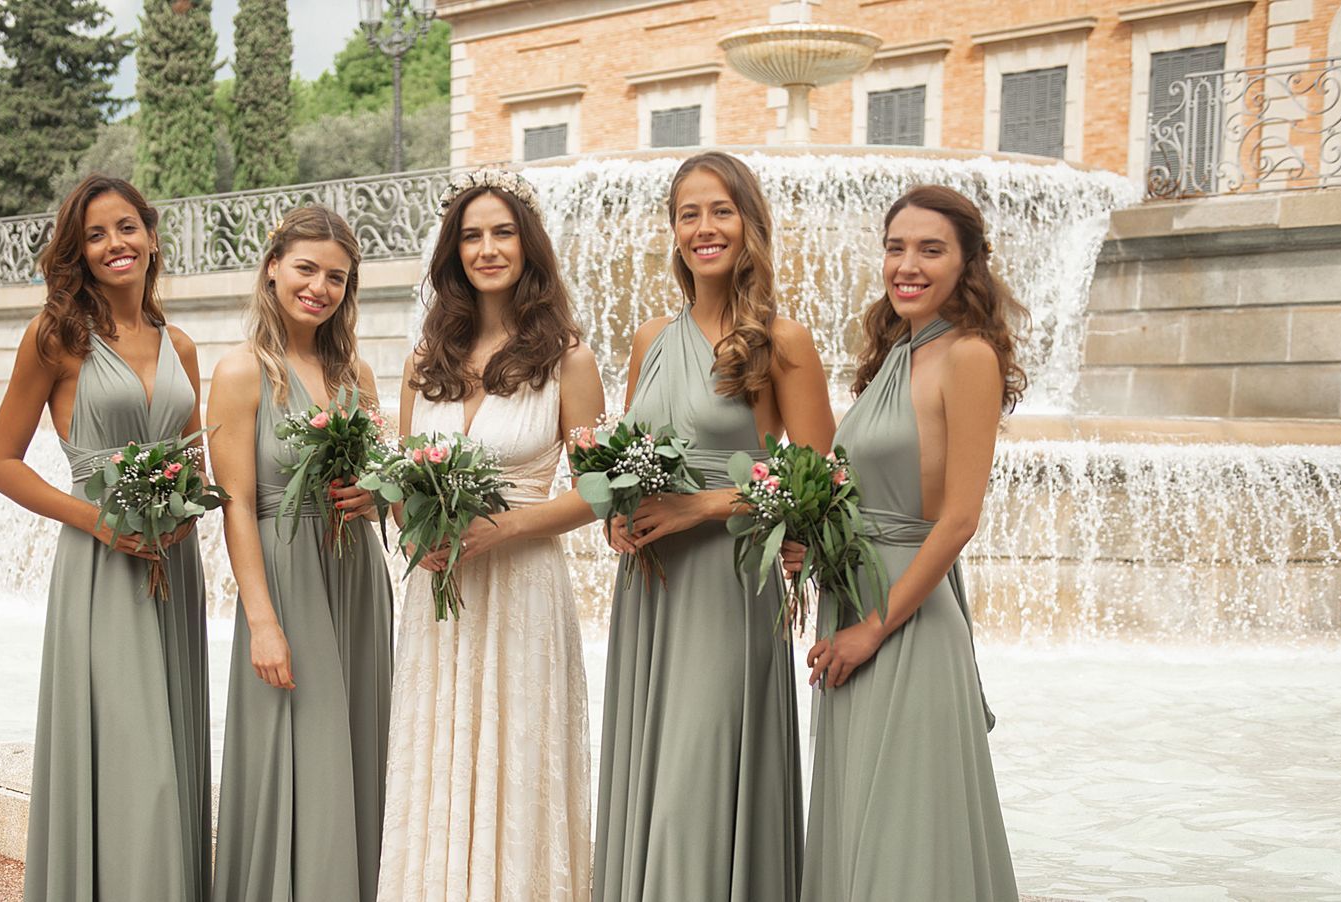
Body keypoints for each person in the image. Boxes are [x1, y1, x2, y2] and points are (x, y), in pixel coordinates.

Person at [592, 151, 835, 902]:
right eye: (689, 213)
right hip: (651, 588)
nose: (705, 228)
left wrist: (699, 506)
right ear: (673, 230)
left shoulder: (781, 342)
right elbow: (627, 459)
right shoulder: (648, 339)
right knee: (653, 773)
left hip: (729, 590)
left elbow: (821, 477)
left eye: (721, 211)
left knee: (694, 783)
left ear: (748, 225)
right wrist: (617, 521)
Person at [377, 169, 606, 902]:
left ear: (528, 244)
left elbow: (600, 488)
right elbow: (401, 485)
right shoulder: (424, 361)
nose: (487, 248)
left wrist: (502, 526)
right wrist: (417, 531)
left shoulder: (568, 358)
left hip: (523, 592)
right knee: (436, 755)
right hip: (439, 599)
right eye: (471, 235)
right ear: (452, 254)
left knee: (518, 759)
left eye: (502, 232)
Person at [0, 175, 211, 901]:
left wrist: (190, 503)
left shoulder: (181, 345)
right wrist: (98, 521)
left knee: (170, 754)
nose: (116, 244)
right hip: (98, 568)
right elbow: (0, 464)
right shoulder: (57, 339)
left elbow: (192, 457)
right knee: (134, 762)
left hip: (174, 568)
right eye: (96, 234)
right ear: (78, 253)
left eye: (127, 228)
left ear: (150, 236)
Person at [792, 184, 1021, 901]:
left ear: (968, 264)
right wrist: (811, 547)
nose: (907, 265)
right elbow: (857, 492)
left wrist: (872, 628)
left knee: (907, 833)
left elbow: (958, 518)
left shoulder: (969, 357)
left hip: (904, 623)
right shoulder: (895, 353)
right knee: (861, 818)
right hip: (852, 607)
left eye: (930, 249)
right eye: (896, 248)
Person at [208, 204, 396, 902]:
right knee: (301, 752)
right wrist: (261, 621)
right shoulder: (239, 373)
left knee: (355, 749)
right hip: (286, 583)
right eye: (306, 269)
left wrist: (374, 497)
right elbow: (236, 505)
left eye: (337, 278)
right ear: (272, 267)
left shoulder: (359, 375)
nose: (319, 287)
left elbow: (383, 485)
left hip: (356, 580)